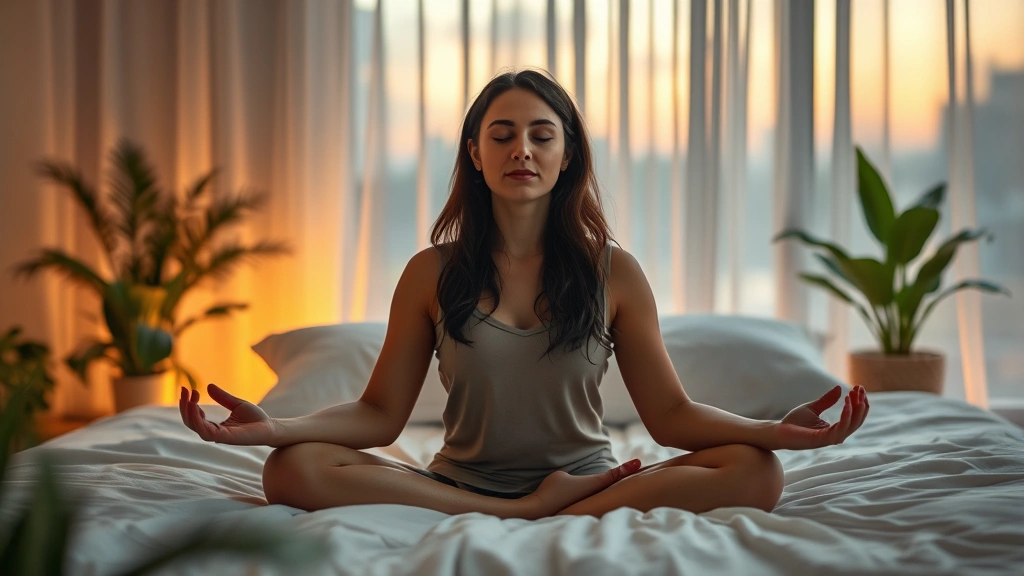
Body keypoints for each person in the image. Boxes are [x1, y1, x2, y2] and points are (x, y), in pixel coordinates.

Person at [179, 69, 869, 520]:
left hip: (596, 485)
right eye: (502, 135)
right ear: (474, 154)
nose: (523, 150)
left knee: (757, 473)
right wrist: (274, 429)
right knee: (290, 471)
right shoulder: (430, 272)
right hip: (456, 487)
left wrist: (771, 430)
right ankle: (524, 512)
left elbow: (671, 416)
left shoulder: (614, 272)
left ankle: (558, 505)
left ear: (567, 154)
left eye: (542, 135)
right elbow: (379, 415)